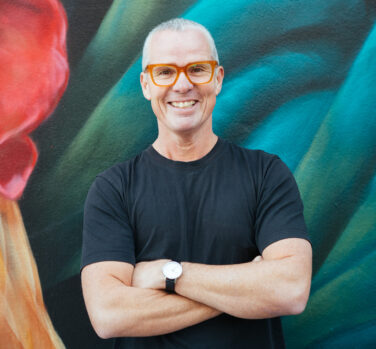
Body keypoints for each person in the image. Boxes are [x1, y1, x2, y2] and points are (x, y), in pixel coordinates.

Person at [81, 18, 312, 349]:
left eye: (197, 70)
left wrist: (169, 275)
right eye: (165, 72)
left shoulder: (266, 174)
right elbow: (109, 316)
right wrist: (247, 287)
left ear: (217, 79)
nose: (182, 85)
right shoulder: (113, 189)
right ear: (146, 85)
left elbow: (289, 291)